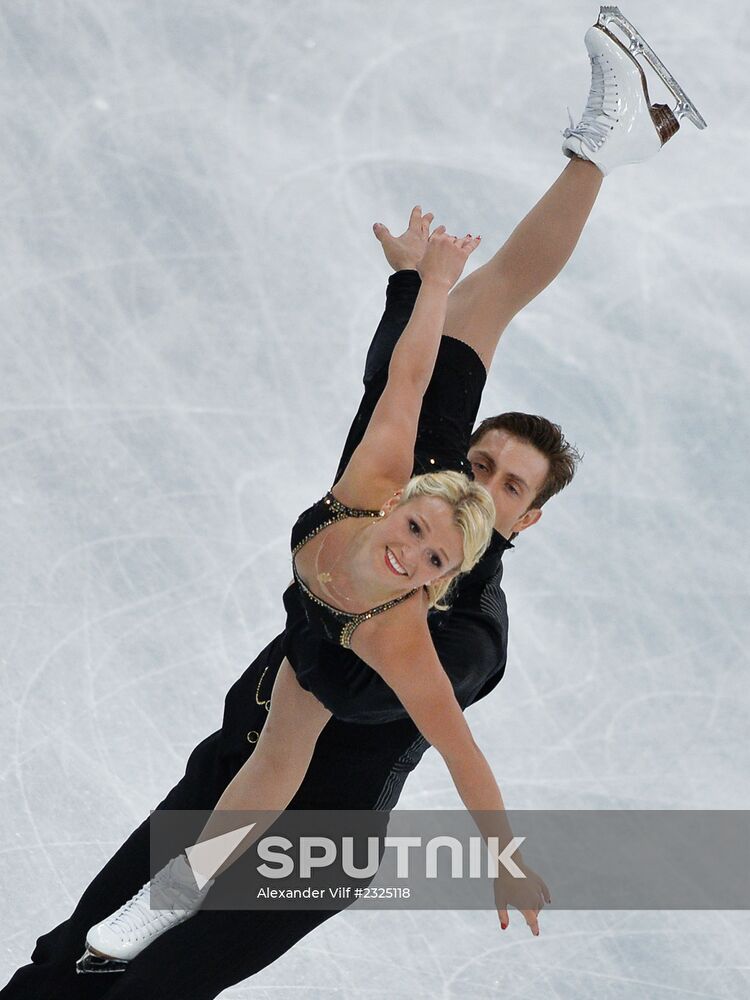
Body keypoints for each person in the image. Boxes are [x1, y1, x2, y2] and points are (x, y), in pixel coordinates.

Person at [0, 9, 705, 999]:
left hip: (313, 839)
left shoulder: (451, 636)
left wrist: (500, 852)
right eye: (482, 462)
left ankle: (610, 139)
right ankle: (612, 141)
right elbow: (409, 381)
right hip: (236, 768)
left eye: (511, 487)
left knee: (138, 991)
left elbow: (367, 741)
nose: (484, 483)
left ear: (519, 526)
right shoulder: (397, 500)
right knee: (65, 959)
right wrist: (415, 288)